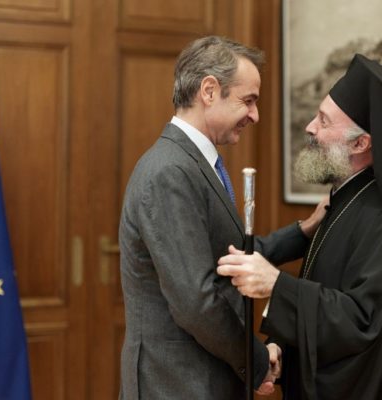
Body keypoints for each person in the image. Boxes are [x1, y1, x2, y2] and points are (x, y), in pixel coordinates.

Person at [217, 54, 382, 399]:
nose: (310, 127)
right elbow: (324, 288)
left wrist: (277, 286)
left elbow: (363, 322)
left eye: (324, 121)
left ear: (360, 143)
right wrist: (282, 346)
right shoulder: (343, 198)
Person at [118, 35, 326, 399]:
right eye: (248, 101)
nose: (255, 115)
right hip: (177, 384)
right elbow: (196, 302)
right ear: (209, 91)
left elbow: (227, 258)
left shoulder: (193, 162)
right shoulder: (170, 171)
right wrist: (257, 361)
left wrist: (304, 230)